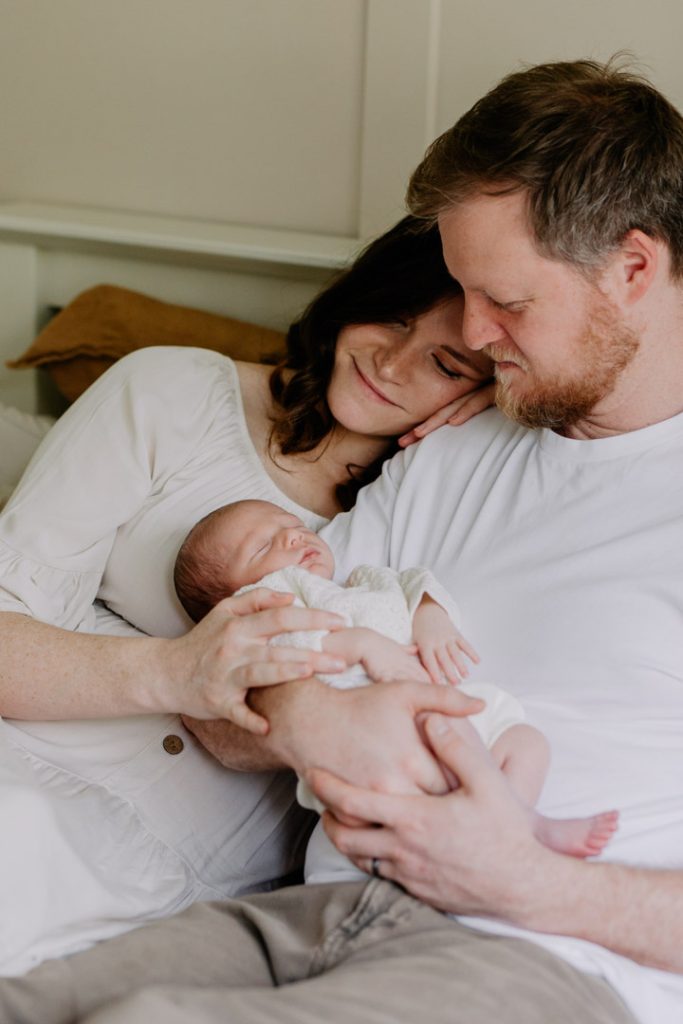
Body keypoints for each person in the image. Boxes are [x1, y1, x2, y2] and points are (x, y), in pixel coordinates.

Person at [3, 55, 681, 1024]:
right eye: (457, 294)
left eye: (506, 305)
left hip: (544, 956)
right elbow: (240, 673)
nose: (477, 339)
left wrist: (527, 881)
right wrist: (316, 720)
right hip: (312, 912)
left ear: (631, 267)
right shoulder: (448, 455)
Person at [0, 215, 494, 975]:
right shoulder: (173, 393)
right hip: (28, 764)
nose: (391, 365)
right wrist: (174, 671)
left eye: (446, 363)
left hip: (189, 869)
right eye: (391, 319)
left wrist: (502, 420)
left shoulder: (443, 505)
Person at [174, 496, 619, 883]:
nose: (292, 537)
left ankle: (513, 825)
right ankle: (516, 831)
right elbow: (274, 653)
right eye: (264, 546)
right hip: (367, 731)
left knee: (526, 742)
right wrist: (358, 644)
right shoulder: (273, 602)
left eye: (291, 526)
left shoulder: (366, 581)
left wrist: (430, 616)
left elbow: (416, 583)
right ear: (234, 599)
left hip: (440, 713)